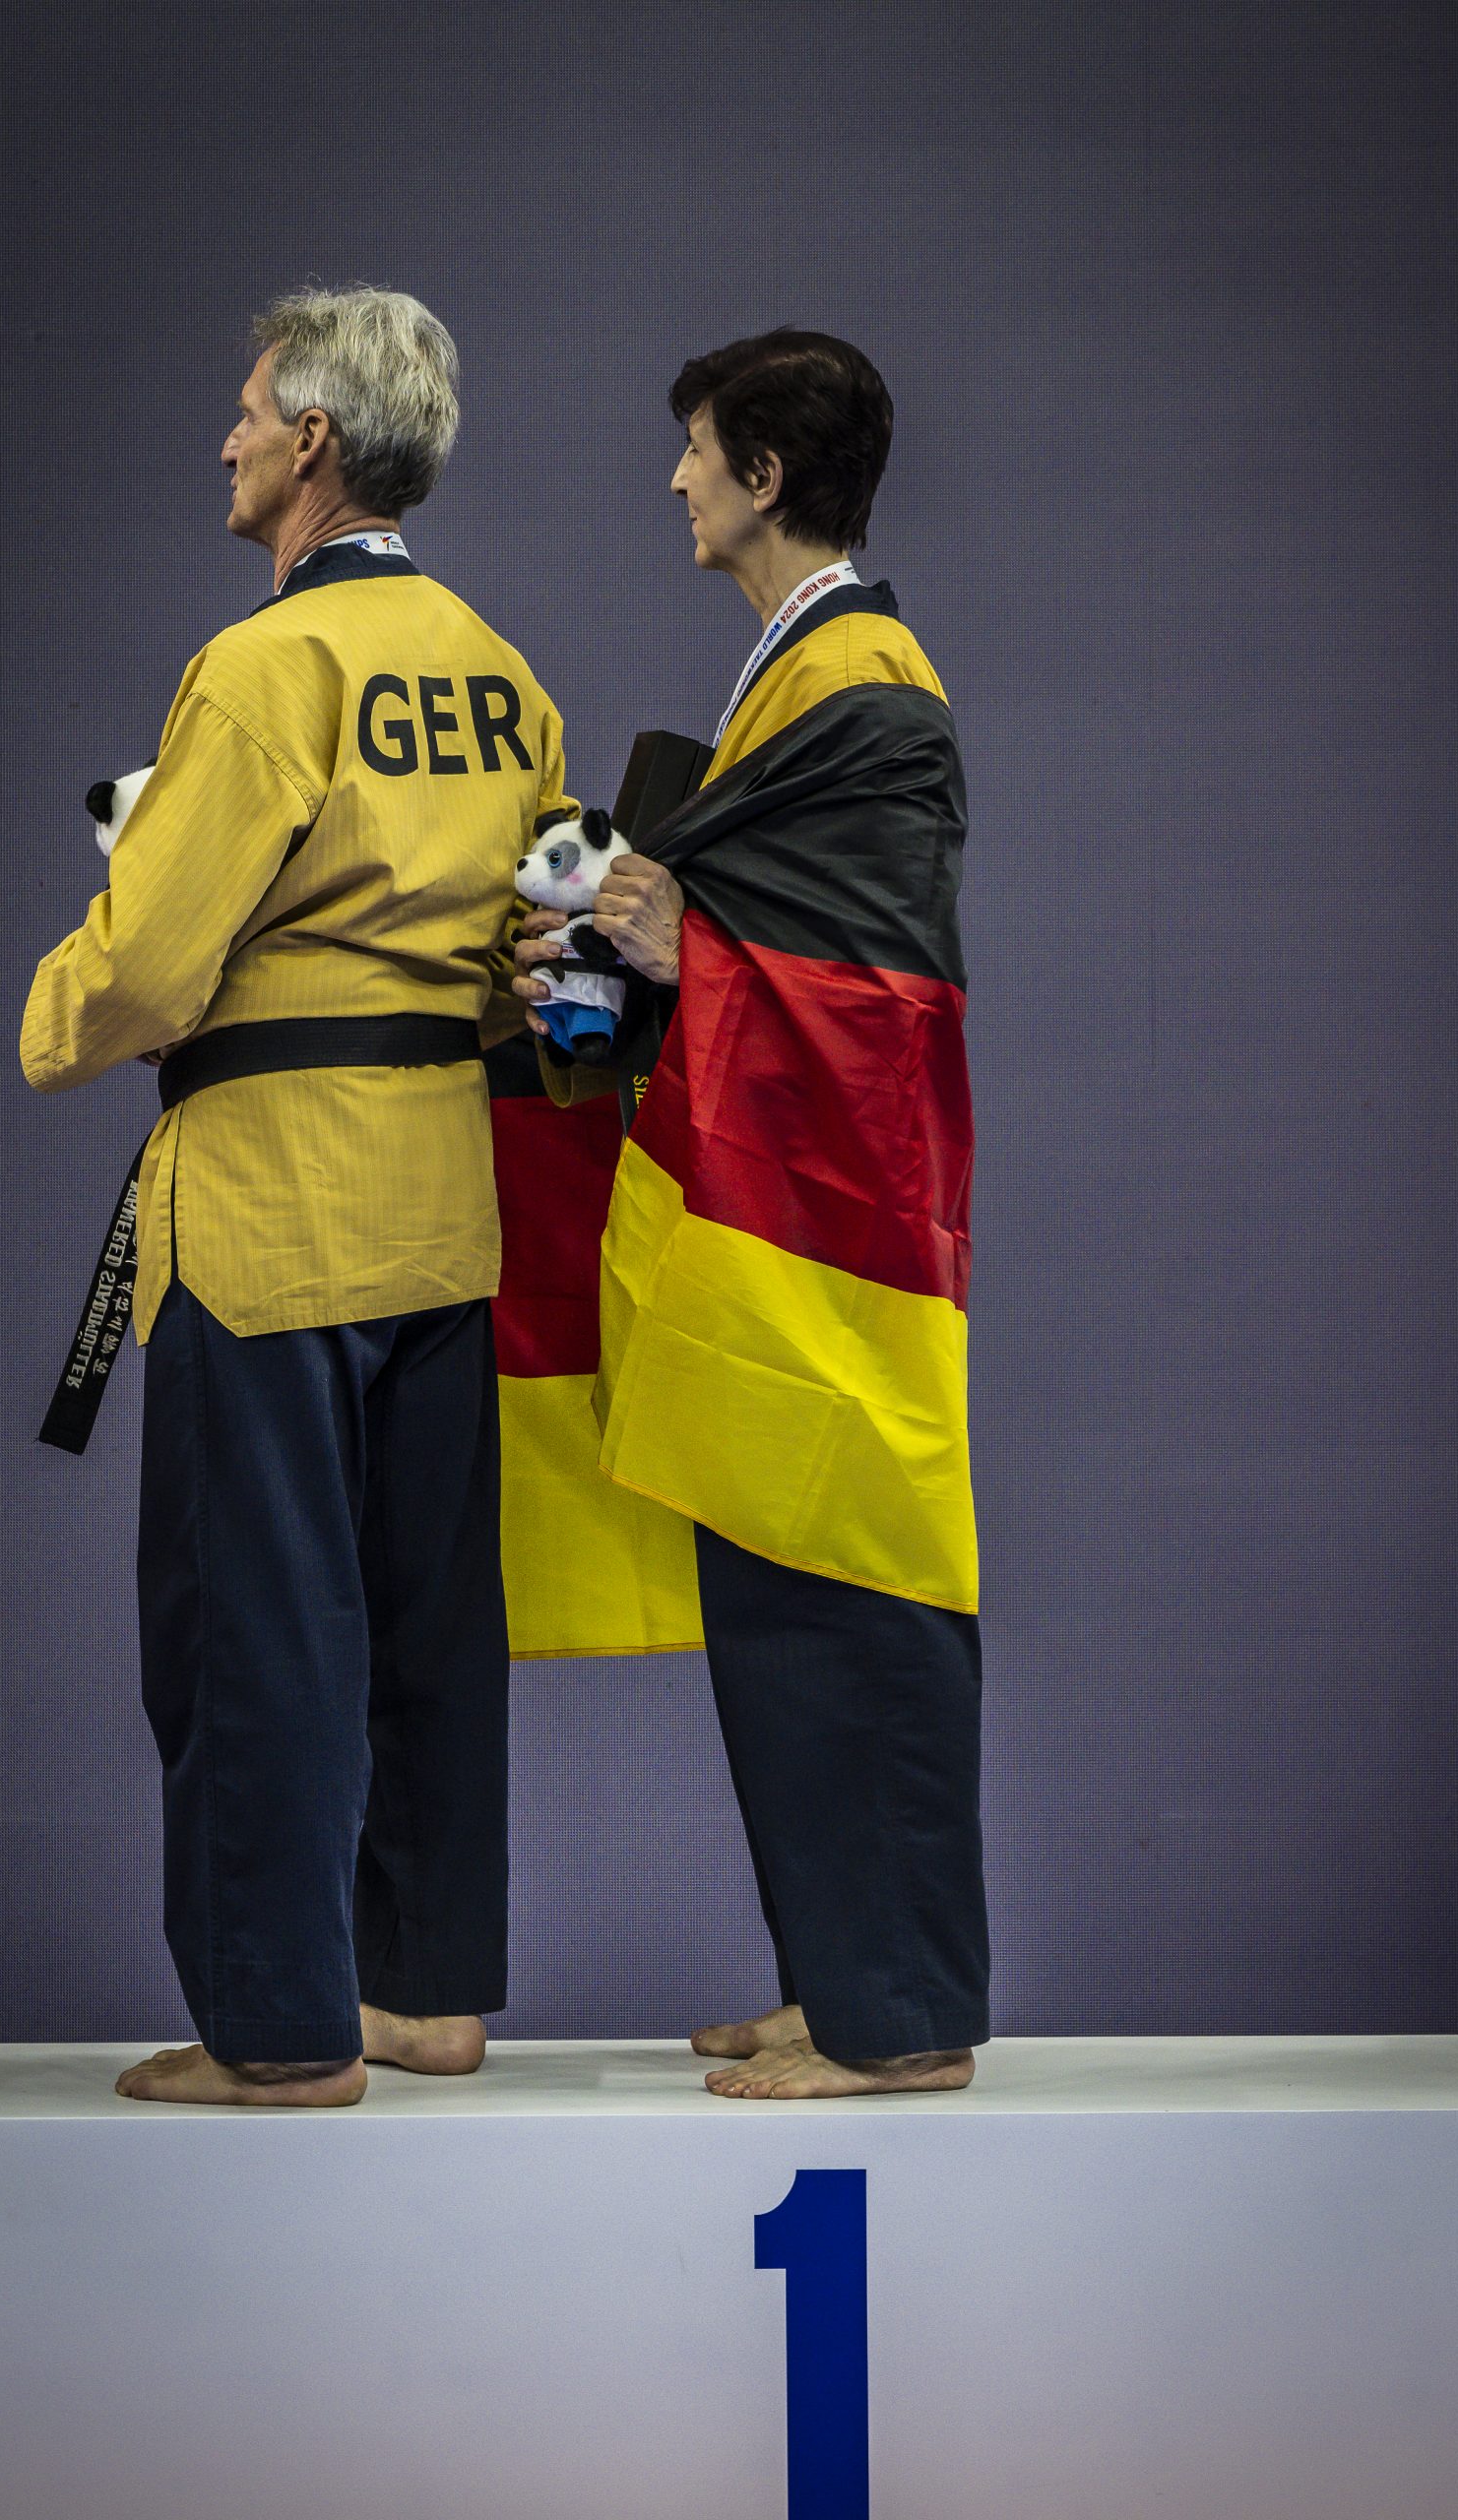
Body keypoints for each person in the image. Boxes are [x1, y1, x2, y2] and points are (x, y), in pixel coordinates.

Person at [23, 286, 575, 2107]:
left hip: (269, 1208)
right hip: (440, 1198)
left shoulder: (261, 670)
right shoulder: (504, 678)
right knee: (427, 1616)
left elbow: (149, 965)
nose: (231, 438)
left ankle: (276, 2030)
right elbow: (532, 968)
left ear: (317, 442)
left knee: (251, 1620)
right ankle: (424, 1994)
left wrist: (55, 1014)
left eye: (252, 412)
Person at [515, 329, 990, 2099]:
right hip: (777, 1224)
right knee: (785, 1602)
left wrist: (680, 944)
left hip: (840, 1238)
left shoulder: (864, 685)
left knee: (854, 1591)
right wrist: (625, 944)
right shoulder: (798, 670)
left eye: (697, 450)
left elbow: (880, 1009)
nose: (677, 480)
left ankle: (901, 2023)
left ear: (765, 476)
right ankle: (838, 1984)